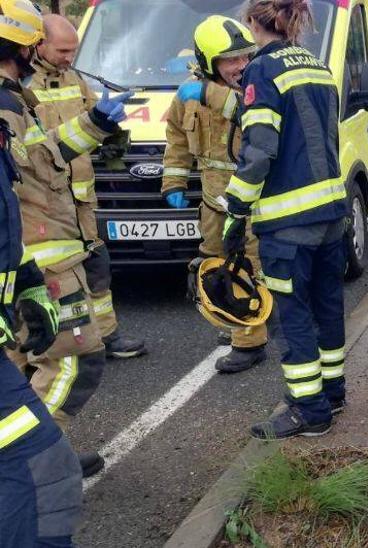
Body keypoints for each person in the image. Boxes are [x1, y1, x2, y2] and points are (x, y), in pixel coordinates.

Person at [0, 0, 131, 478]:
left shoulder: (14, 101)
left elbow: (42, 158)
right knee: (75, 364)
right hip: (40, 261)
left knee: (15, 369)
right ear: (25, 45)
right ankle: (37, 460)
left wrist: (97, 124)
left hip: (25, 258)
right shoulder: (6, 107)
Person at [225, 0, 347, 439]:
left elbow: (260, 151)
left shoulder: (262, 71)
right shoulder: (316, 66)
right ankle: (333, 393)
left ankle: (308, 412)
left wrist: (235, 209)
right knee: (328, 306)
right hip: (332, 213)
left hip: (289, 223)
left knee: (292, 315)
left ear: (255, 23)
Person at [30, 14, 147, 361]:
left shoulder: (75, 79)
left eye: (74, 51)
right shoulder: (20, 85)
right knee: (51, 277)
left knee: (97, 267)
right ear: (39, 43)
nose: (69, 57)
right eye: (63, 50)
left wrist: (112, 132)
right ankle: (54, 345)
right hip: (42, 204)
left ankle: (106, 336)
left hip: (81, 199)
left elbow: (92, 117)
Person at [163, 15, 268, 373]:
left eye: (244, 56)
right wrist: (174, 182)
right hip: (212, 202)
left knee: (246, 264)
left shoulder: (257, 84)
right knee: (216, 262)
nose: (240, 66)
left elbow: (248, 113)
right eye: (230, 60)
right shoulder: (188, 96)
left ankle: (249, 342)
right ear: (208, 61)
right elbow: (177, 139)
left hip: (248, 203)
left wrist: (211, 93)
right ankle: (237, 318)